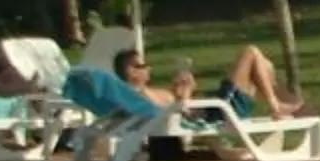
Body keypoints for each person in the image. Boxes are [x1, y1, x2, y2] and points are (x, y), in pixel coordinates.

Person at [112, 45, 306, 118]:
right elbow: (181, 112)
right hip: (218, 109)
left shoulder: (141, 94)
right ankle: (275, 106)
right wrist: (186, 94)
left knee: (265, 65)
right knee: (251, 52)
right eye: (141, 65)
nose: (148, 67)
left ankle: (276, 106)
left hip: (214, 104)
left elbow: (174, 105)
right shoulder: (141, 95)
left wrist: (184, 89)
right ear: (130, 72)